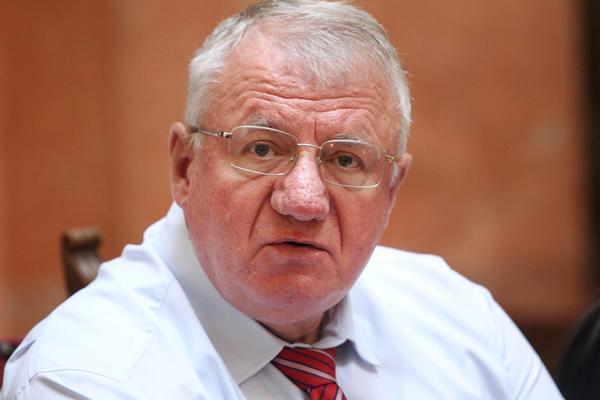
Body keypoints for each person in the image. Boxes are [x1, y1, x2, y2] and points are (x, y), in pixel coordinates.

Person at [1, 1, 563, 398]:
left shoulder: (462, 323)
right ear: (184, 167)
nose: (304, 200)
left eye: (347, 160)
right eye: (263, 149)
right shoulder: (87, 378)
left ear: (391, 189)